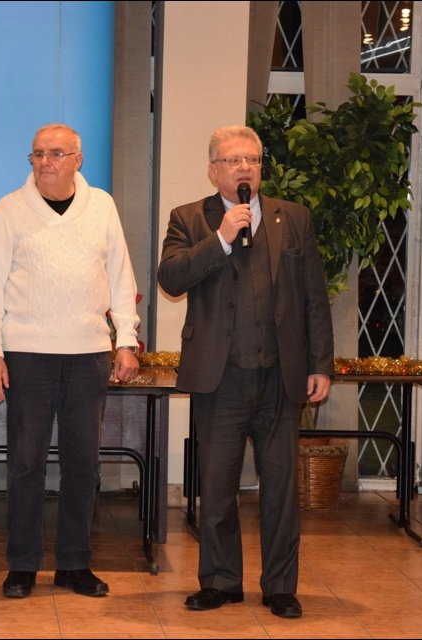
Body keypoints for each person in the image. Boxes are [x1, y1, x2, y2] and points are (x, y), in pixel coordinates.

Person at [157, 125, 334, 619]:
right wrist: (221, 238)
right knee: (217, 488)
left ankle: (280, 586)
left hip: (281, 378)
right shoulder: (189, 218)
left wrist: (320, 365)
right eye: (234, 160)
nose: (244, 168)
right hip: (221, 379)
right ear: (213, 170)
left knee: (281, 490)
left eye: (252, 160)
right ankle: (220, 581)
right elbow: (171, 277)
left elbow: (314, 297)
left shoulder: (292, 218)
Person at [0, 122, 140, 599]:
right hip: (27, 355)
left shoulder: (102, 206)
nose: (44, 162)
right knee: (26, 464)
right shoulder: (9, 209)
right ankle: (22, 565)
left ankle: (74, 564)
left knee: (83, 466)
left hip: (88, 354)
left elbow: (121, 277)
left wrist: (126, 340)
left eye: (55, 154)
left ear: (77, 160)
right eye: (37, 154)